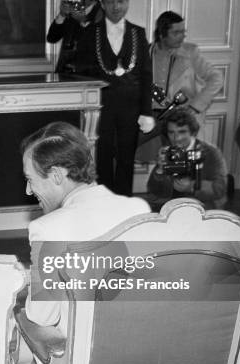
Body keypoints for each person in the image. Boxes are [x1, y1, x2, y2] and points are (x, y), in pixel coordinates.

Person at [21, 121, 150, 364]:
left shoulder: (48, 228)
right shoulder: (140, 208)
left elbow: (41, 316)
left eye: (30, 179)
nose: (28, 191)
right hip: (143, 361)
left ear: (56, 175)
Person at [73, 0, 154, 196]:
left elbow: (146, 74)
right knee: (103, 155)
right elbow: (80, 70)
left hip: (131, 107)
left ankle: (125, 202)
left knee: (127, 157)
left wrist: (146, 112)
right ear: (102, 3)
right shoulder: (89, 32)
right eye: (110, 2)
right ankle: (105, 201)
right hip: (101, 106)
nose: (116, 7)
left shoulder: (138, 32)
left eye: (121, 1)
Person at [136, 10, 223, 162]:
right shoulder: (145, 53)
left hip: (181, 118)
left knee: (182, 166)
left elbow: (216, 78)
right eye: (176, 32)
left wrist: (195, 106)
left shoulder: (191, 53)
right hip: (151, 117)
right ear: (162, 34)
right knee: (148, 161)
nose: (182, 36)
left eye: (183, 31)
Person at [146, 107, 227, 210]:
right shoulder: (168, 152)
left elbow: (220, 188)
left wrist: (192, 186)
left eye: (182, 132)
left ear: (192, 132)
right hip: (172, 209)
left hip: (204, 209)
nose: (176, 138)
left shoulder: (211, 153)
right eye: (171, 132)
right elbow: (154, 191)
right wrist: (159, 171)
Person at [46, 0, 103, 73]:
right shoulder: (73, 8)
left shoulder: (103, 11)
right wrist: (62, 15)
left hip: (90, 74)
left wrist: (82, 20)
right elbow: (52, 38)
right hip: (65, 73)